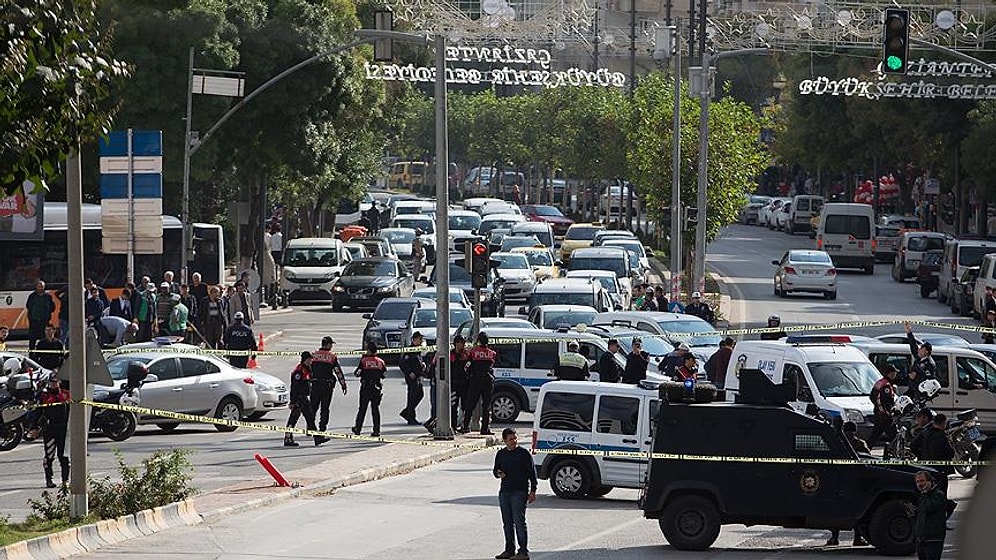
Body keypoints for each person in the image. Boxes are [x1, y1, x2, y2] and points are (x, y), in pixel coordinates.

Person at [493, 428, 536, 560]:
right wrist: (499, 474)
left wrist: (533, 491)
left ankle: (523, 551)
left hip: (520, 492)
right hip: (505, 491)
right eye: (511, 439)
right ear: (504, 440)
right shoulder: (501, 454)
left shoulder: (523, 454)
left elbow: (532, 474)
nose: (514, 441)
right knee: (507, 523)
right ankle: (509, 550)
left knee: (519, 522)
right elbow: (495, 470)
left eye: (515, 438)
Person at [284, 352, 328, 447]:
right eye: (310, 359)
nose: (311, 361)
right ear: (305, 359)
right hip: (299, 398)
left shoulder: (307, 369)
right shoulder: (299, 370)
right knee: (293, 419)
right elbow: (295, 387)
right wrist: (293, 401)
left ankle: (317, 438)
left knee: (310, 418)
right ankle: (288, 438)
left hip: (304, 398)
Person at [460, 332, 497, 435]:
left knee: (470, 405)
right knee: (486, 406)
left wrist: (469, 375)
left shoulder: (473, 352)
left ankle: (465, 426)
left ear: (479, 341)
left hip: (475, 381)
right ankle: (485, 429)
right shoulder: (492, 353)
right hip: (487, 381)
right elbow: (492, 365)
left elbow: (467, 366)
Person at [910, 413, 955, 496]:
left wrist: (920, 456)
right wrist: (951, 443)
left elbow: (912, 445)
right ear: (943, 424)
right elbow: (951, 453)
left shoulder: (924, 433)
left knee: (926, 492)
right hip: (940, 470)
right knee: (941, 493)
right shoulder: (942, 436)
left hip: (926, 468)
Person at [38, 374, 71, 488]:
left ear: (59, 382)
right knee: (49, 456)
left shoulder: (66, 394)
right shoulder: (44, 395)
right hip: (49, 429)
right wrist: (34, 427)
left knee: (64, 457)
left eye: (55, 382)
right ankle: (49, 479)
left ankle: (65, 480)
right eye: (52, 382)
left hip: (63, 430)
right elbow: (38, 412)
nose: (53, 384)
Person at [311, 336, 347, 432]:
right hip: (327, 385)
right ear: (327, 345)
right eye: (331, 344)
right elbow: (337, 371)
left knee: (313, 407)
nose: (331, 346)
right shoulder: (332, 356)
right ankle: (322, 428)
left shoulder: (314, 355)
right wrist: (343, 384)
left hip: (315, 384)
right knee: (325, 408)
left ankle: (310, 427)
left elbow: (308, 370)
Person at [352, 342, 387, 437]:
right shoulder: (381, 362)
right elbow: (384, 375)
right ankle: (377, 430)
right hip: (376, 388)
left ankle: (358, 429)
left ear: (369, 350)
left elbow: (357, 373)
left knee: (362, 409)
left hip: (366, 387)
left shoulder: (364, 361)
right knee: (375, 409)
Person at [913, 470, 947, 560]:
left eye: (922, 481)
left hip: (933, 539)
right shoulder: (921, 496)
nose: (920, 484)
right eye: (917, 481)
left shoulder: (938, 495)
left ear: (929, 482)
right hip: (921, 540)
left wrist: (925, 493)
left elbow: (928, 508)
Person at [866, 364, 899, 450]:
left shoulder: (879, 382)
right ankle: (900, 451)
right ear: (890, 373)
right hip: (885, 416)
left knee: (874, 435)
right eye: (894, 373)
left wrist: (878, 408)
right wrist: (886, 412)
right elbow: (884, 401)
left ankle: (865, 449)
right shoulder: (886, 385)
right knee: (895, 435)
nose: (895, 375)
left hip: (878, 414)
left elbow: (872, 397)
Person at [399, 332, 428, 425]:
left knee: (420, 395)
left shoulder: (418, 350)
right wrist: (409, 372)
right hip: (412, 377)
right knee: (412, 396)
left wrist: (422, 366)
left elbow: (418, 361)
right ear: (414, 339)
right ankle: (411, 417)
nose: (421, 341)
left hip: (418, 376)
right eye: (420, 339)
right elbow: (402, 363)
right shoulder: (409, 350)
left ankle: (407, 412)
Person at [905, 322, 937, 399]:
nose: (919, 350)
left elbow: (928, 380)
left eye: (921, 349)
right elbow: (913, 345)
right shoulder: (919, 357)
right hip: (913, 390)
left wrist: (915, 377)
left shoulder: (930, 364)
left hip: (920, 393)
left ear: (926, 352)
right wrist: (909, 332)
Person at [26, 280, 55, 350]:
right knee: (32, 338)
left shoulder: (48, 296)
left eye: (42, 286)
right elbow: (28, 306)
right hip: (34, 321)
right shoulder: (32, 296)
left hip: (44, 321)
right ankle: (32, 353)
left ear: (44, 287)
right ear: (36, 287)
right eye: (39, 286)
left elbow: (52, 307)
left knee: (43, 338)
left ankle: (42, 352)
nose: (40, 288)